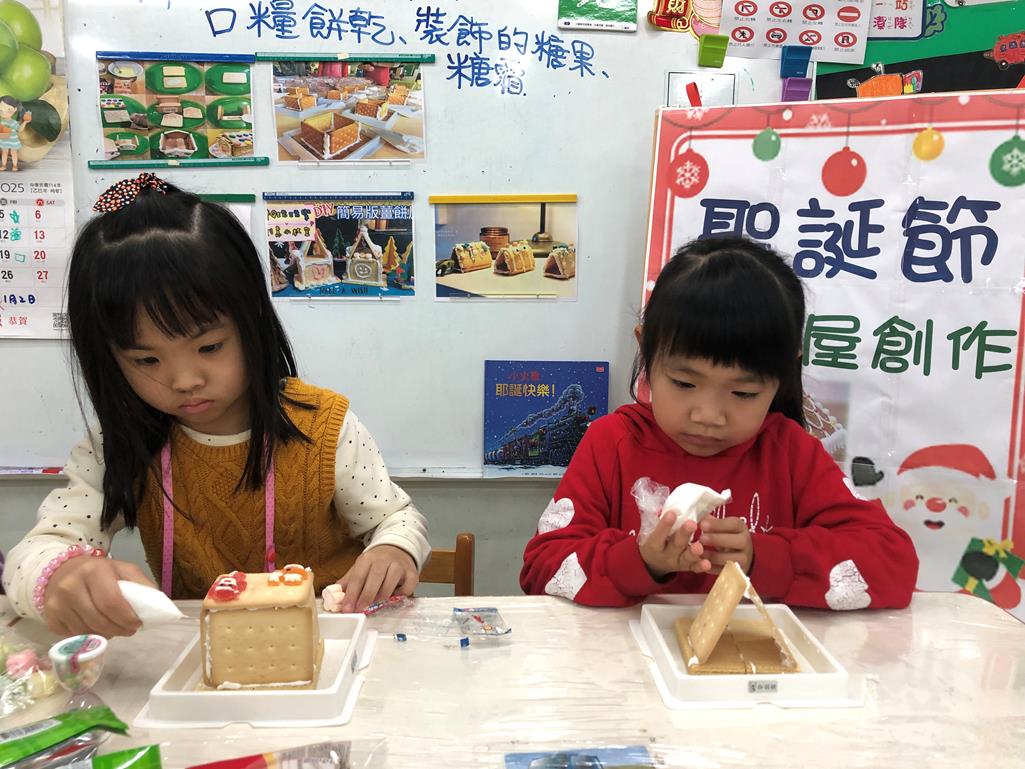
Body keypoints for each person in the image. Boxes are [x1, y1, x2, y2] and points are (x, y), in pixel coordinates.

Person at [2, 174, 429, 637]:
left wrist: (394, 548)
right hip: (200, 654)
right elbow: (33, 554)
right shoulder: (120, 446)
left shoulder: (321, 425)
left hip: (328, 643)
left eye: (209, 347)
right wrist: (60, 574)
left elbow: (395, 518)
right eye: (146, 359)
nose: (185, 381)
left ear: (253, 323)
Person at [521, 236, 917, 609]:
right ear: (646, 350)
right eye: (683, 383)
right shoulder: (612, 443)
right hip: (628, 658)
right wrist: (642, 562)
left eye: (743, 393)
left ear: (783, 374)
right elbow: (542, 569)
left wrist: (764, 558)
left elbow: (894, 565)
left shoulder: (791, 453)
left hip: (756, 658)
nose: (708, 416)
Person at [0, 95, 32, 172]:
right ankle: (4, 165)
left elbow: (19, 130)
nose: (4, 113)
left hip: (13, 141)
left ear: (15, 109)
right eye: (1, 110)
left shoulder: (13, 122)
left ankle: (15, 166)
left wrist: (25, 122)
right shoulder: (2, 122)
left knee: (14, 153)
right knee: (4, 153)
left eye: (8, 110)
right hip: (4, 140)